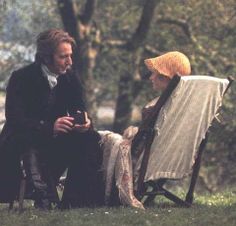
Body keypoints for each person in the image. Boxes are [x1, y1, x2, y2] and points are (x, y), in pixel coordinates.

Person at [0, 29, 104, 209]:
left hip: (55, 140)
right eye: (63, 57)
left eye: (70, 55)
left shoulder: (70, 77)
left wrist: (86, 124)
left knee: (90, 138)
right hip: (23, 138)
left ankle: (74, 201)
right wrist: (49, 127)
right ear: (46, 57)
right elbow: (15, 119)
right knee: (27, 142)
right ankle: (41, 193)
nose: (69, 61)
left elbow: (81, 109)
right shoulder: (21, 77)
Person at [99, 51, 191, 209]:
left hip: (149, 162)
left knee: (104, 138)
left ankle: (98, 193)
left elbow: (143, 145)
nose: (151, 78)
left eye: (155, 74)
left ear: (166, 77)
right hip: (175, 158)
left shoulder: (157, 108)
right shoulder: (185, 107)